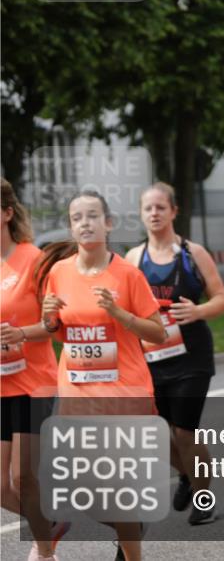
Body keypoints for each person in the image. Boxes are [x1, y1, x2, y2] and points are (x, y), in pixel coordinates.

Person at [36, 190, 166, 561]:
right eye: (77, 217)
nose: (85, 223)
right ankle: (130, 530)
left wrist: (118, 313)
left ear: (108, 223)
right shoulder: (59, 273)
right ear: (71, 226)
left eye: (93, 216)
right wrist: (49, 317)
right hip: (77, 397)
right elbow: (60, 332)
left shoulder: (127, 274)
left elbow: (157, 333)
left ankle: (132, 551)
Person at [125, 183, 224, 526]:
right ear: (141, 215)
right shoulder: (133, 259)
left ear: (173, 211)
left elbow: (221, 299)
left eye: (160, 207)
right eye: (148, 209)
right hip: (150, 358)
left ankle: (203, 499)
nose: (154, 214)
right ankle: (187, 473)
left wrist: (199, 312)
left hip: (192, 357)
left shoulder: (192, 252)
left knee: (185, 433)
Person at [0, 179, 64, 561]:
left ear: (7, 213)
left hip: (34, 380)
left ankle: (44, 549)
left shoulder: (33, 259)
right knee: (0, 488)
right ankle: (50, 526)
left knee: (23, 477)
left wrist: (21, 332)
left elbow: (56, 324)